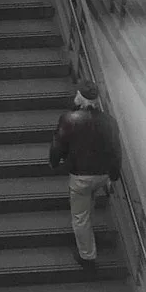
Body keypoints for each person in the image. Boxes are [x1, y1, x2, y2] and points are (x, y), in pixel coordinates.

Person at [49, 79, 122, 270]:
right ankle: (89, 227)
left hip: (80, 177)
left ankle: (87, 256)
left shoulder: (69, 119)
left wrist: (54, 162)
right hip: (102, 175)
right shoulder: (109, 121)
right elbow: (116, 150)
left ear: (79, 98)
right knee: (89, 200)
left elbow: (58, 144)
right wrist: (113, 175)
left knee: (80, 217)